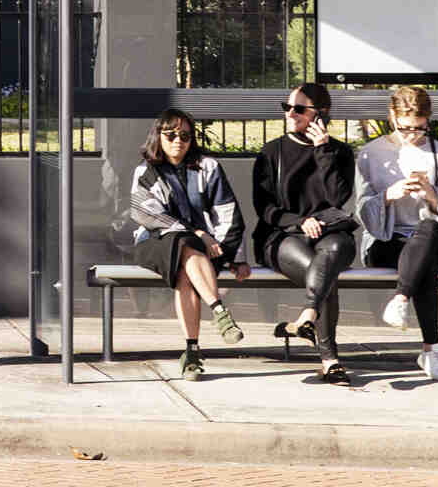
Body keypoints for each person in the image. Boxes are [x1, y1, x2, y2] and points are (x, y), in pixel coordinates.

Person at [128, 108, 248, 378]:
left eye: (185, 135)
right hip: (155, 243)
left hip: (203, 251)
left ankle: (192, 352)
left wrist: (235, 257)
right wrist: (197, 233)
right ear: (158, 136)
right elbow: (145, 212)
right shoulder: (146, 171)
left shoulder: (209, 167)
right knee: (182, 241)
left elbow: (228, 212)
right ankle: (219, 310)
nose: (177, 141)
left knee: (185, 270)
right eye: (170, 135)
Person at [252, 81, 358, 382]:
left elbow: (338, 198)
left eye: (298, 108)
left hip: (329, 234)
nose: (290, 114)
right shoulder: (272, 152)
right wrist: (299, 222)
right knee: (323, 272)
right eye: (287, 107)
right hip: (282, 235)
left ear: (320, 114)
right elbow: (265, 208)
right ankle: (329, 358)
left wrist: (322, 150)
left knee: (334, 253)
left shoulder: (339, 152)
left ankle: (306, 317)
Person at [356, 83, 438, 382]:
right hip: (387, 239)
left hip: (430, 235)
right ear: (392, 117)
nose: (412, 135)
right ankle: (433, 352)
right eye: (405, 129)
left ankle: (401, 299)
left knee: (427, 230)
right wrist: (389, 194)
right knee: (423, 266)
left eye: (419, 129)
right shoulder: (370, 154)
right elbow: (362, 211)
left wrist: (430, 194)